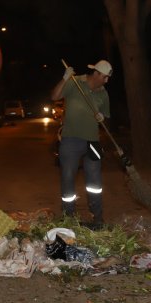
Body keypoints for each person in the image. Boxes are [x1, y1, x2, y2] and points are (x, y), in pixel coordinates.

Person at [50, 59, 112, 228]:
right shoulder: (75, 83)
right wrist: (65, 78)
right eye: (104, 77)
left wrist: (101, 117)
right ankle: (69, 218)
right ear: (96, 73)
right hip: (71, 139)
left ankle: (97, 218)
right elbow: (54, 96)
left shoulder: (103, 94)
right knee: (68, 178)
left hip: (93, 141)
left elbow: (105, 115)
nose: (106, 81)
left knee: (95, 183)